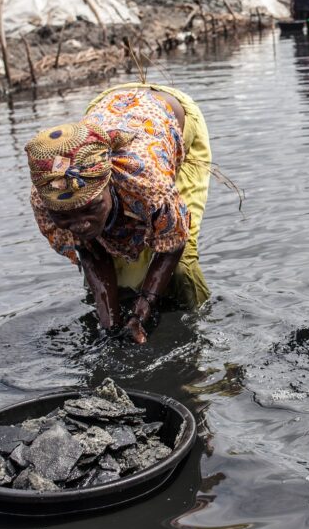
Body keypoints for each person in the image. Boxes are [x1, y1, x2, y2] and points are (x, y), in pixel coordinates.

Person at [25, 82, 211, 343]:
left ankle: (202, 324)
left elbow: (174, 242)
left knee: (181, 267)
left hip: (170, 117)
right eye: (65, 216)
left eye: (90, 208)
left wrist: (140, 313)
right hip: (107, 108)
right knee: (111, 279)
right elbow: (89, 250)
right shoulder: (47, 195)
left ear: (109, 183)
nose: (78, 225)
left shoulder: (145, 180)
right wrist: (109, 327)